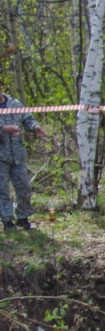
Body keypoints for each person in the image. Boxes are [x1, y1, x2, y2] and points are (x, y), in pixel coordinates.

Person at [0, 81, 47, 231]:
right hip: (1, 157)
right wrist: (3, 128)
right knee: (2, 190)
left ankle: (23, 218)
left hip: (18, 155)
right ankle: (7, 222)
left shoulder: (14, 104)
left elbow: (28, 118)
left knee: (24, 188)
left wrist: (35, 127)